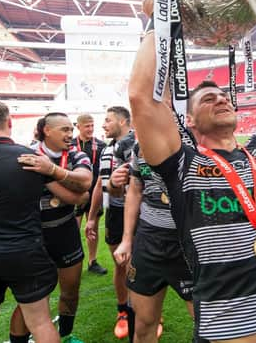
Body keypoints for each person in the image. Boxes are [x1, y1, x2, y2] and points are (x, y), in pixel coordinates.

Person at [128, 19, 256, 342]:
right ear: (188, 120)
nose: (220, 99)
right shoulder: (182, 167)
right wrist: (158, 22)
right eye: (207, 99)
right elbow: (141, 98)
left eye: (223, 96)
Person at [0, 101, 80, 343]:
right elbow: (72, 197)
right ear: (10, 122)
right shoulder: (29, 159)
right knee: (41, 323)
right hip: (26, 251)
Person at [10, 112, 93, 343]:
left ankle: (66, 335)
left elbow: (85, 183)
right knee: (33, 299)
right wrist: (72, 190)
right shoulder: (26, 154)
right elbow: (79, 196)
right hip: (34, 235)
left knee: (70, 291)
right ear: (47, 130)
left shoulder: (77, 154)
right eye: (64, 129)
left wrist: (50, 171)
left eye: (71, 129)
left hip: (65, 231)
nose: (70, 134)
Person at [112, 141, 194, 343]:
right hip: (149, 241)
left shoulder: (197, 140)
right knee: (144, 324)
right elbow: (135, 189)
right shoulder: (140, 147)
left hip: (190, 243)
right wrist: (126, 239)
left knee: (209, 326)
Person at [86, 106, 135, 339]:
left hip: (139, 214)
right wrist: (93, 217)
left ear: (124, 121)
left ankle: (144, 309)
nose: (103, 125)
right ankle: (123, 311)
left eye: (108, 120)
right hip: (115, 214)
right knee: (121, 264)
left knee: (139, 265)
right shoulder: (106, 150)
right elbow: (99, 183)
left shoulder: (140, 144)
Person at [72, 114, 108, 275]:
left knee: (92, 228)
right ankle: (73, 261)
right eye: (87, 126)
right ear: (78, 126)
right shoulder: (70, 145)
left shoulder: (100, 145)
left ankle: (92, 261)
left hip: (94, 194)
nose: (90, 129)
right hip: (74, 195)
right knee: (73, 230)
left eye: (92, 125)